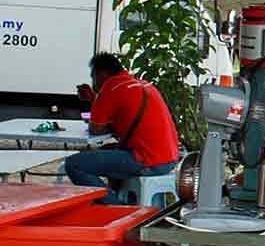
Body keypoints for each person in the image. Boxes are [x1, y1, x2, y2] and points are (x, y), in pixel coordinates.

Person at [66, 53, 181, 203]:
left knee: (74, 164)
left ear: (101, 73)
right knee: (106, 153)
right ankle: (126, 200)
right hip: (169, 158)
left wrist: (96, 99)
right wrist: (94, 99)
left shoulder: (111, 87)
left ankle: (116, 208)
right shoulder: (142, 84)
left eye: (93, 76)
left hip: (146, 160)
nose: (93, 82)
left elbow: (96, 129)